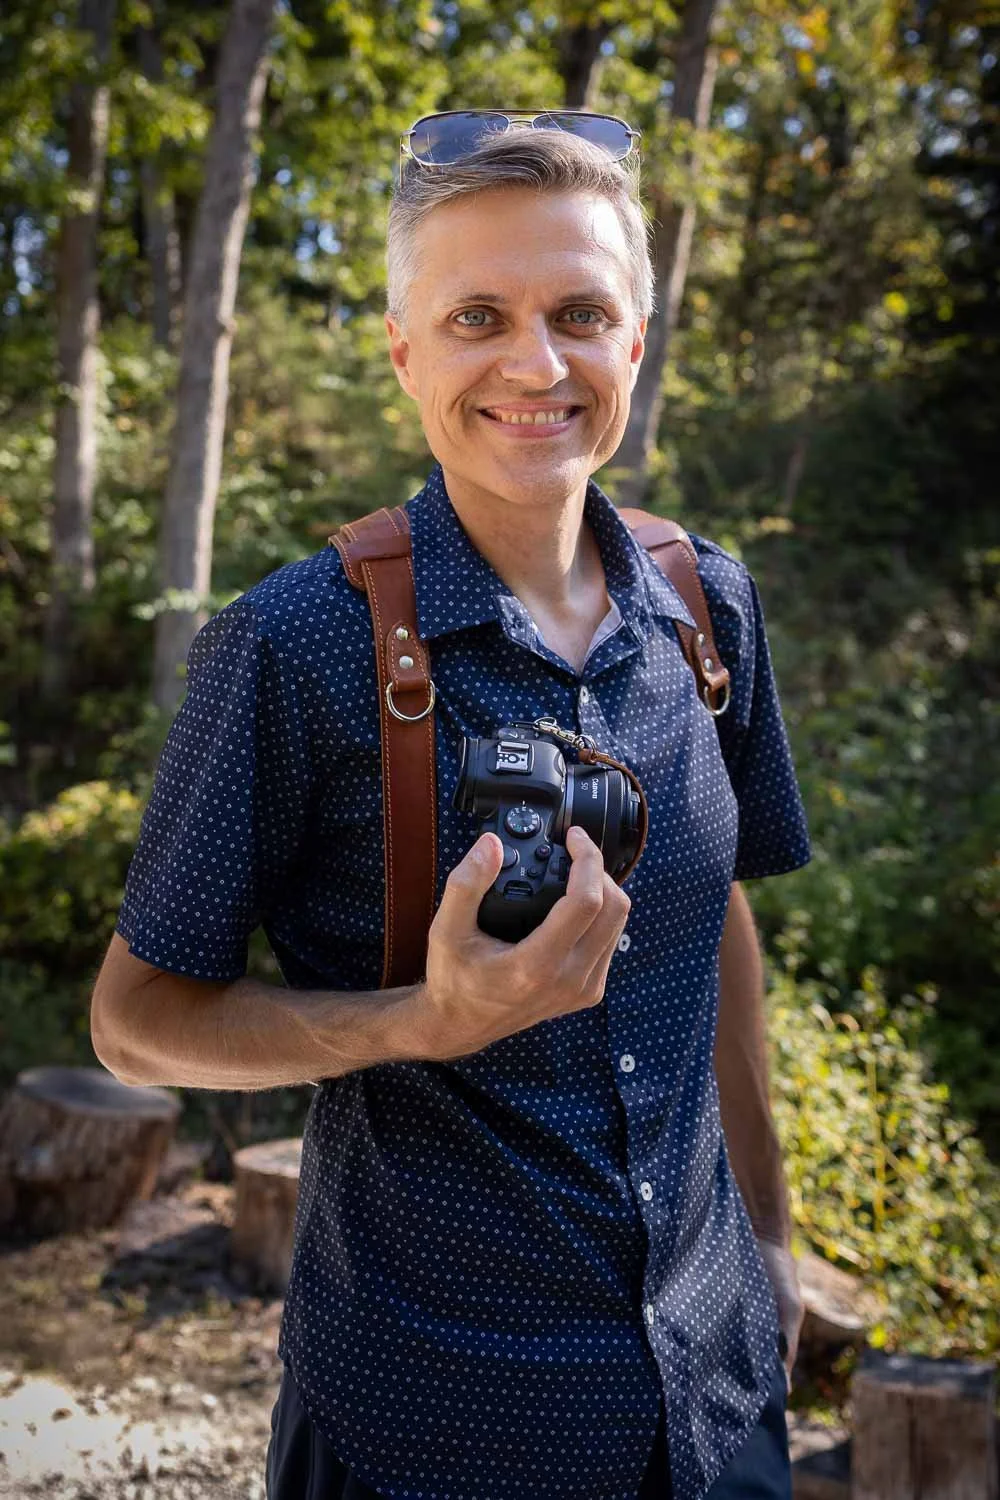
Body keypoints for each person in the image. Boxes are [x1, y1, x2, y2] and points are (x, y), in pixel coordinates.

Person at [91, 111, 811, 1500]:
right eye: (479, 315)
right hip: (435, 1423)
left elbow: (711, 922)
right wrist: (425, 1022)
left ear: (637, 345)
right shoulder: (295, 647)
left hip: (716, 1406)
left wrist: (771, 1239)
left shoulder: (707, 606)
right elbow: (133, 1026)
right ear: (405, 350)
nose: (535, 364)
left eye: (580, 314)